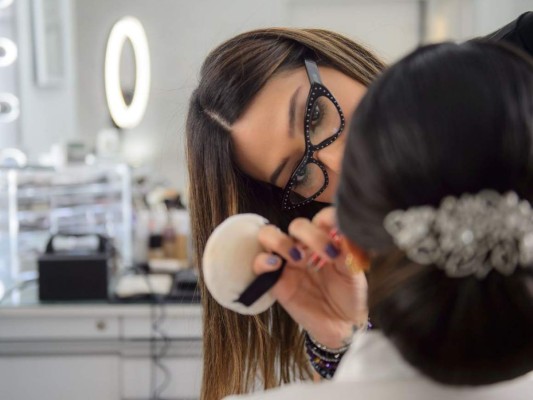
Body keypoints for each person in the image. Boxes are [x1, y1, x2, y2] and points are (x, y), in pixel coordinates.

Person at [186, 14, 533, 400]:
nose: (338, 162)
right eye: (299, 175)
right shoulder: (368, 274)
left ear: (334, 59)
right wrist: (340, 340)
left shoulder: (511, 68)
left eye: (314, 116)